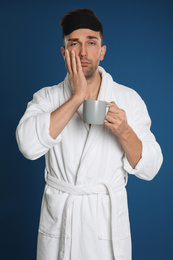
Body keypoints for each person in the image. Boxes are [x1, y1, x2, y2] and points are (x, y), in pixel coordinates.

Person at [16, 8, 163, 260]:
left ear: (102, 52)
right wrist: (76, 98)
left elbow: (151, 168)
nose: (83, 52)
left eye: (91, 43)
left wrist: (124, 131)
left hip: (105, 227)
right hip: (61, 226)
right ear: (64, 53)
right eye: (74, 43)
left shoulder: (128, 99)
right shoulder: (47, 98)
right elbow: (28, 146)